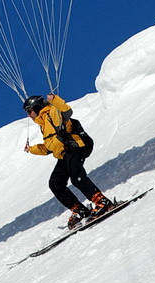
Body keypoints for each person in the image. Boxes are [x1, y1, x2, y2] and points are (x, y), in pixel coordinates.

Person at [23, 93, 114, 229]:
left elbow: (67, 111)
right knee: (55, 184)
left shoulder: (52, 112)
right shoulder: (43, 125)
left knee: (77, 178)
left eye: (29, 111)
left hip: (74, 148)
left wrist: (55, 100)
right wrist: (32, 149)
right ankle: (80, 211)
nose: (28, 115)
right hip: (63, 155)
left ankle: (102, 202)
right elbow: (49, 148)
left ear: (36, 107)